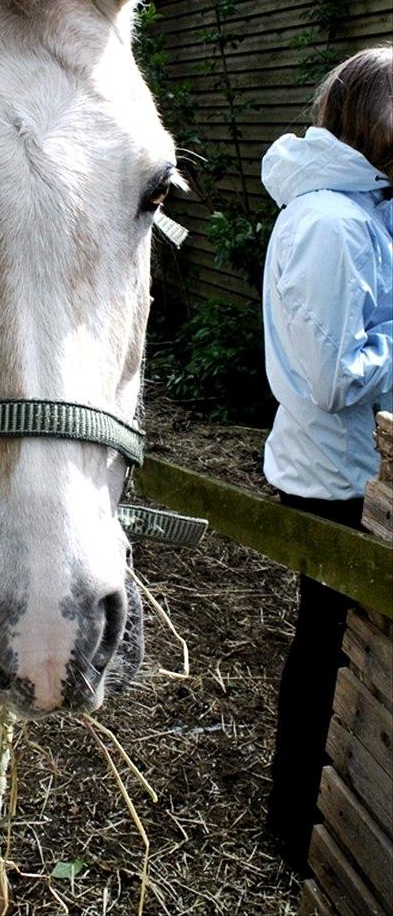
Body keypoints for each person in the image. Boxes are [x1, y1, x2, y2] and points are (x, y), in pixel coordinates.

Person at [261, 44, 392, 873]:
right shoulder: (334, 223)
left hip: (344, 467)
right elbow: (332, 374)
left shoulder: (360, 206)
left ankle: (306, 812)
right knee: (326, 647)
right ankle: (293, 823)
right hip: (334, 476)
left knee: (333, 642)